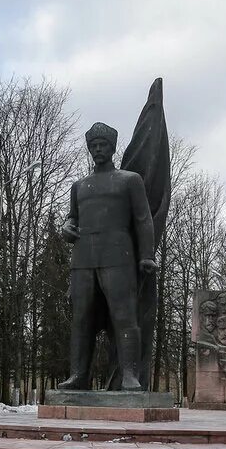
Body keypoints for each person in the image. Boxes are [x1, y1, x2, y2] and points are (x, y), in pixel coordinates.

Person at [57, 122, 157, 391]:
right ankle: (78, 375)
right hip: (83, 260)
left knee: (124, 317)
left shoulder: (130, 180)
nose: (98, 149)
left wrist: (146, 255)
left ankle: (130, 375)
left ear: (112, 148)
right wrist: (66, 227)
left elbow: (143, 219)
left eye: (103, 145)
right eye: (94, 146)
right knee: (81, 319)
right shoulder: (79, 186)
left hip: (118, 256)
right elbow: (72, 219)